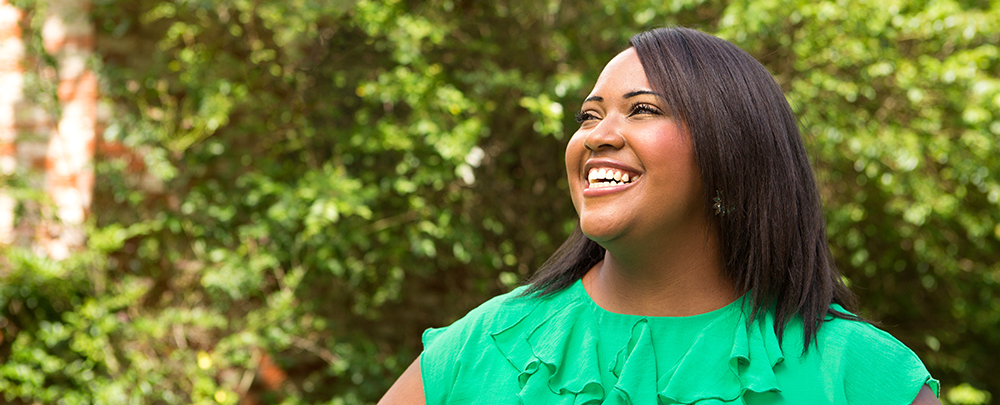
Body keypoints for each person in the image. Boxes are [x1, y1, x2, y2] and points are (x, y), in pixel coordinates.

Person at [380, 27, 940, 405]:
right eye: (588, 116)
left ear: (731, 150)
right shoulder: (483, 347)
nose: (597, 136)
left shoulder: (857, 374)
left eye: (642, 109)